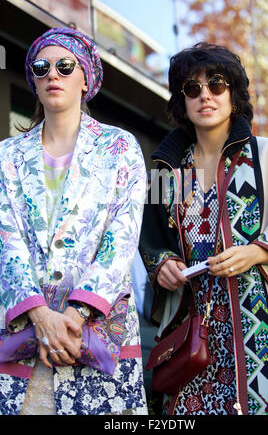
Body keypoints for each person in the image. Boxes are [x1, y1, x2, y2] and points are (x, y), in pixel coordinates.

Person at [139, 42, 268, 416]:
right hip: (191, 336)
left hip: (260, 335)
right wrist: (162, 265)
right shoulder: (167, 171)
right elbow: (151, 242)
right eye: (192, 89)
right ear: (182, 102)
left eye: (217, 84)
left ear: (234, 94)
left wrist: (256, 251)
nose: (205, 95)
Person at [0, 27, 148, 415]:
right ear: (32, 79)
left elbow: (122, 239)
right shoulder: (6, 155)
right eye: (41, 66)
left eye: (66, 66)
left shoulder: (121, 147)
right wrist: (39, 315)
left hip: (96, 335)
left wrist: (73, 315)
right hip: (20, 337)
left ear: (87, 79)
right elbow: (5, 239)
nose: (53, 74)